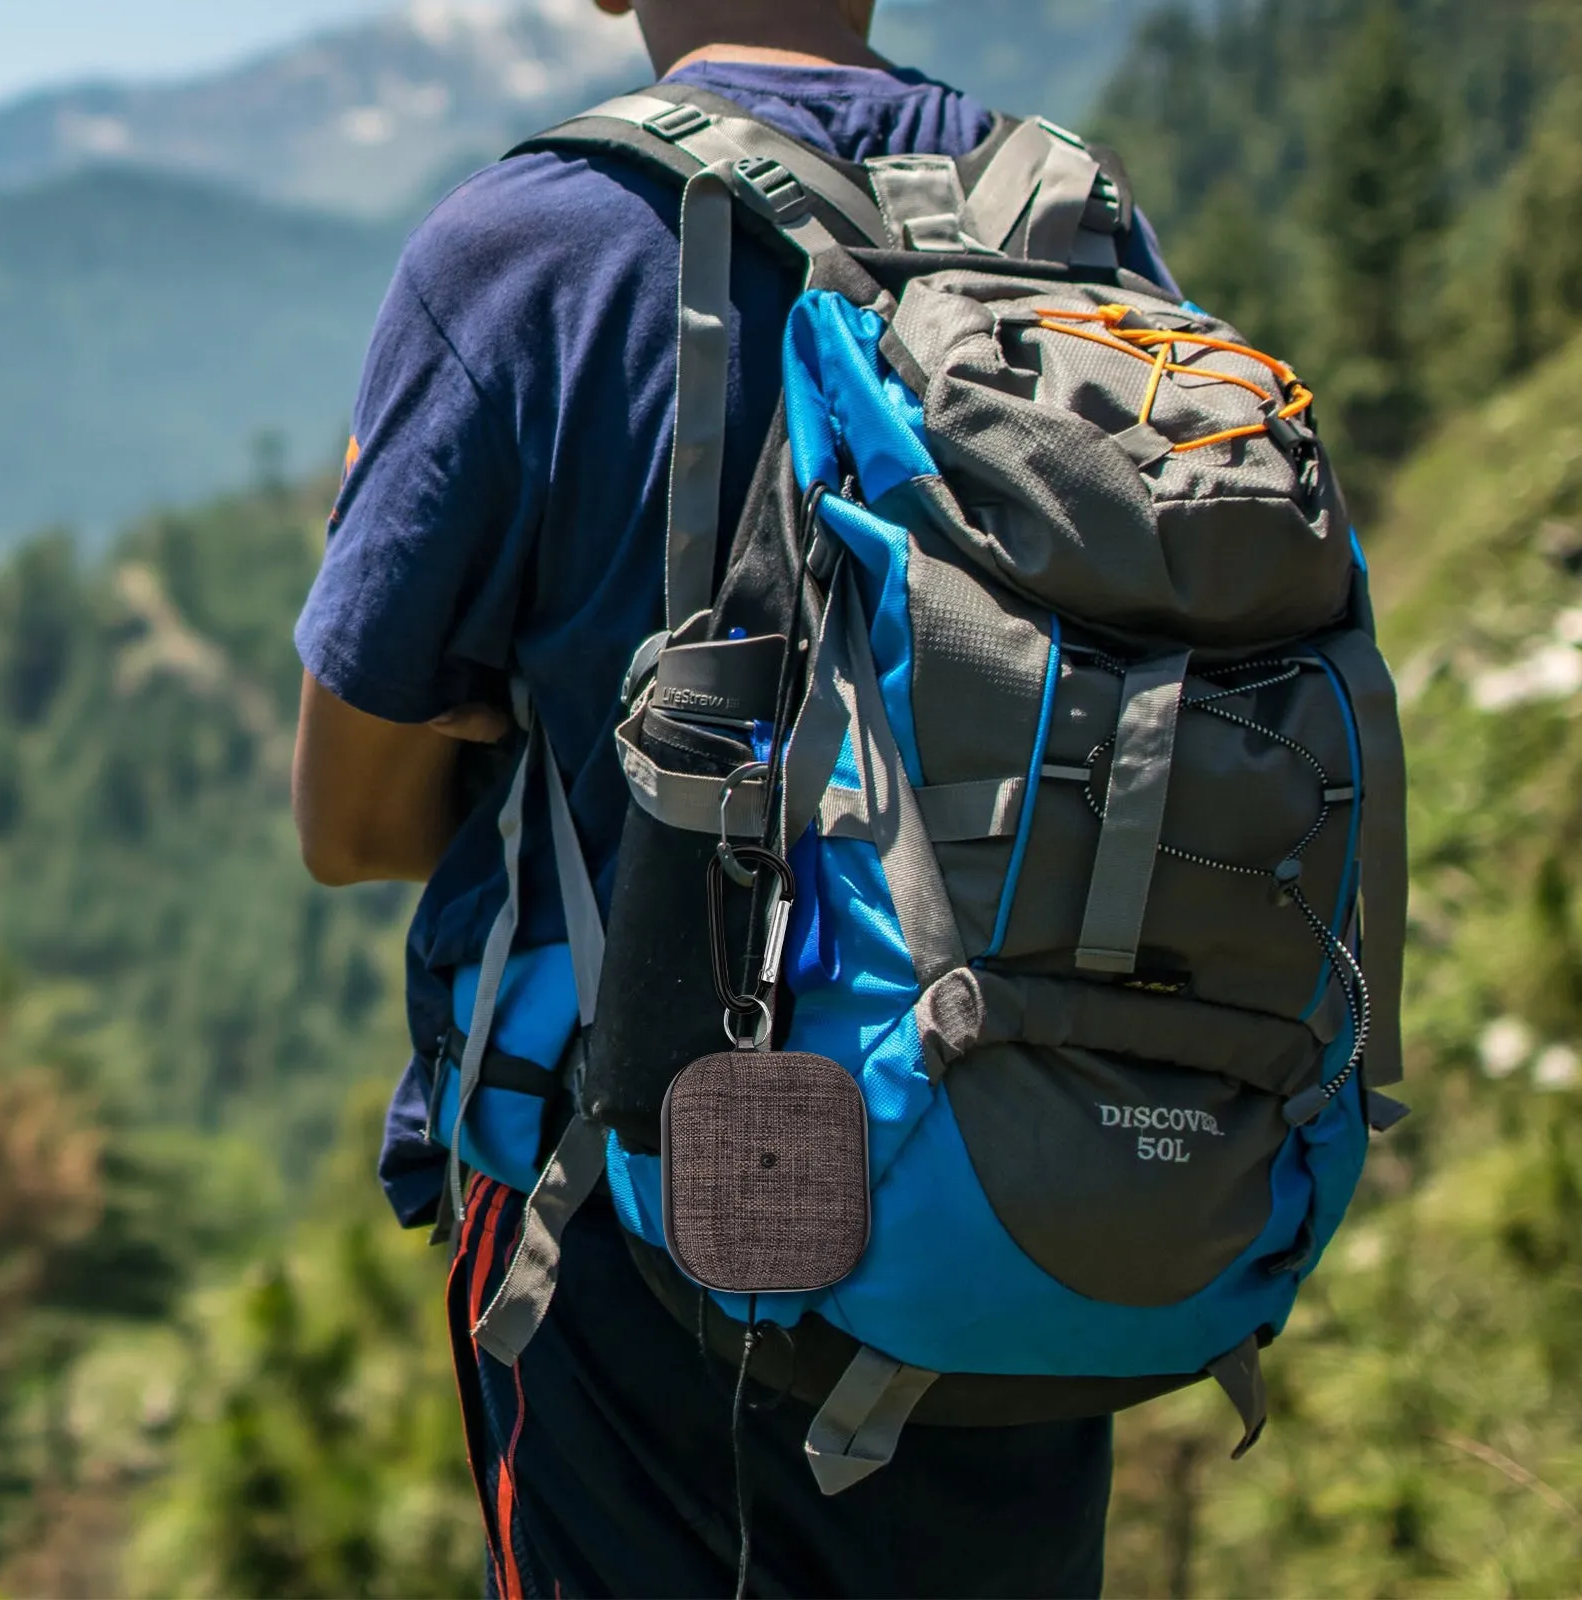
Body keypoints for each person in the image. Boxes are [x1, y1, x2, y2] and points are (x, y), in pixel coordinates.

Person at [293, 1, 1178, 1592]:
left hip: (646, 1212)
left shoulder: (531, 252)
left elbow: (347, 826)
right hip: (1015, 1170)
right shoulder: (1068, 221)